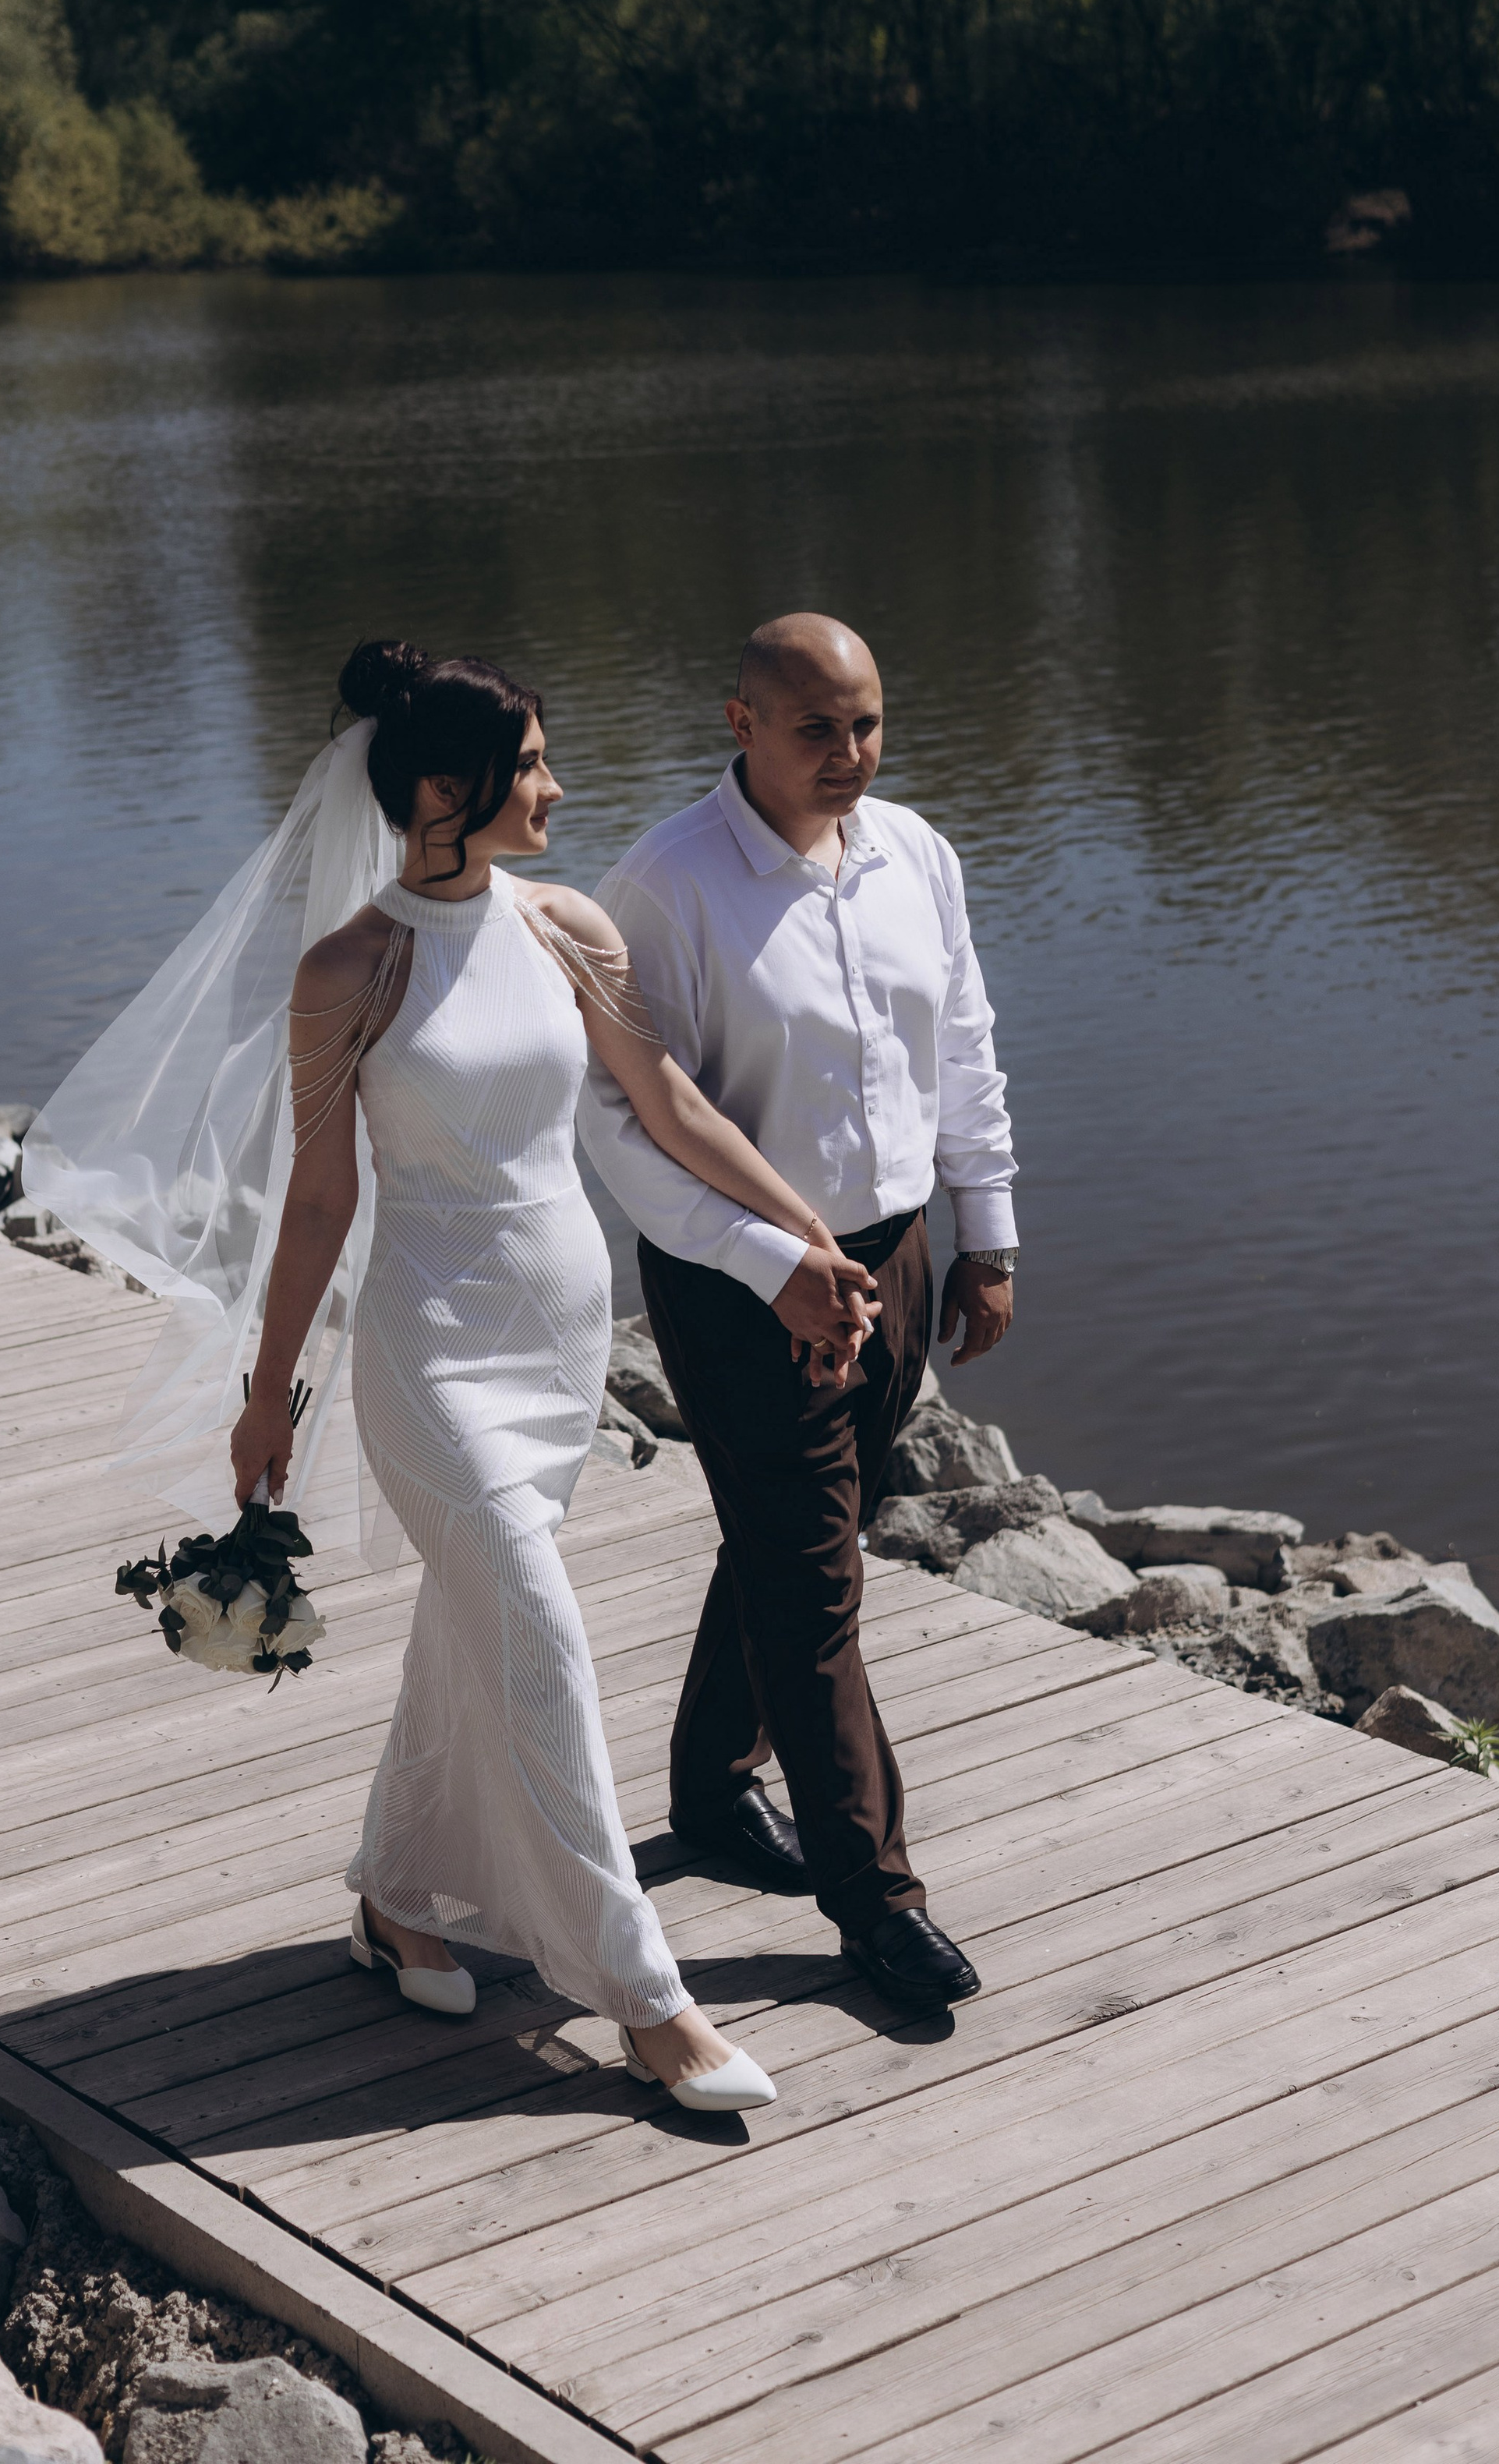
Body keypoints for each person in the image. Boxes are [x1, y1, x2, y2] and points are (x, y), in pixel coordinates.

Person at [228, 640, 879, 2113]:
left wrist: (806, 1237)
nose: (557, 787)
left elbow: (670, 1103)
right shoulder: (350, 971)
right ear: (440, 791)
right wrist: (270, 1393)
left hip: (561, 1342)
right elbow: (320, 1201)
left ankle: (398, 1896)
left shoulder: (569, 927)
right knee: (541, 1634)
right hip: (432, 1352)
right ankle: (648, 2000)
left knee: (478, 1628)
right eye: (529, 765)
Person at [578, 612, 1018, 2017]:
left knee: (796, 1545)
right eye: (818, 727)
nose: (851, 753)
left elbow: (963, 1046)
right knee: (815, 1584)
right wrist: (767, 1262)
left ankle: (714, 1795)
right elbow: (621, 1122)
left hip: (897, 1260)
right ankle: (878, 1903)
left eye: (868, 723)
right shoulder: (666, 887)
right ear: (742, 722)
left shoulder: (917, 854)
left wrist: (988, 1234)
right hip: (744, 1283)